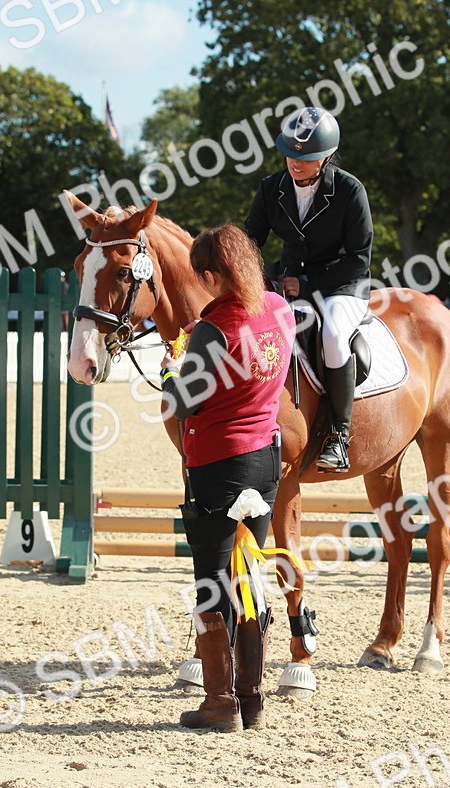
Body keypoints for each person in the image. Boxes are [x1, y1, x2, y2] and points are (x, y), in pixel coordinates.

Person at [160, 224, 293, 733]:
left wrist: (171, 369)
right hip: (265, 457)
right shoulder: (279, 309)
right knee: (248, 580)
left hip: (219, 463)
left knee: (212, 583)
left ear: (213, 275)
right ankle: (251, 699)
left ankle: (220, 703)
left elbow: (183, 402)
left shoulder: (213, 329)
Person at [245, 107, 372, 473]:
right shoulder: (272, 188)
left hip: (342, 285)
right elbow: (249, 243)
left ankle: (338, 436)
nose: (295, 162)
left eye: (306, 156)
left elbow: (358, 258)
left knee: (333, 335)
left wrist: (310, 284)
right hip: (290, 282)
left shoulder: (349, 190)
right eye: (290, 153)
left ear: (326, 157)